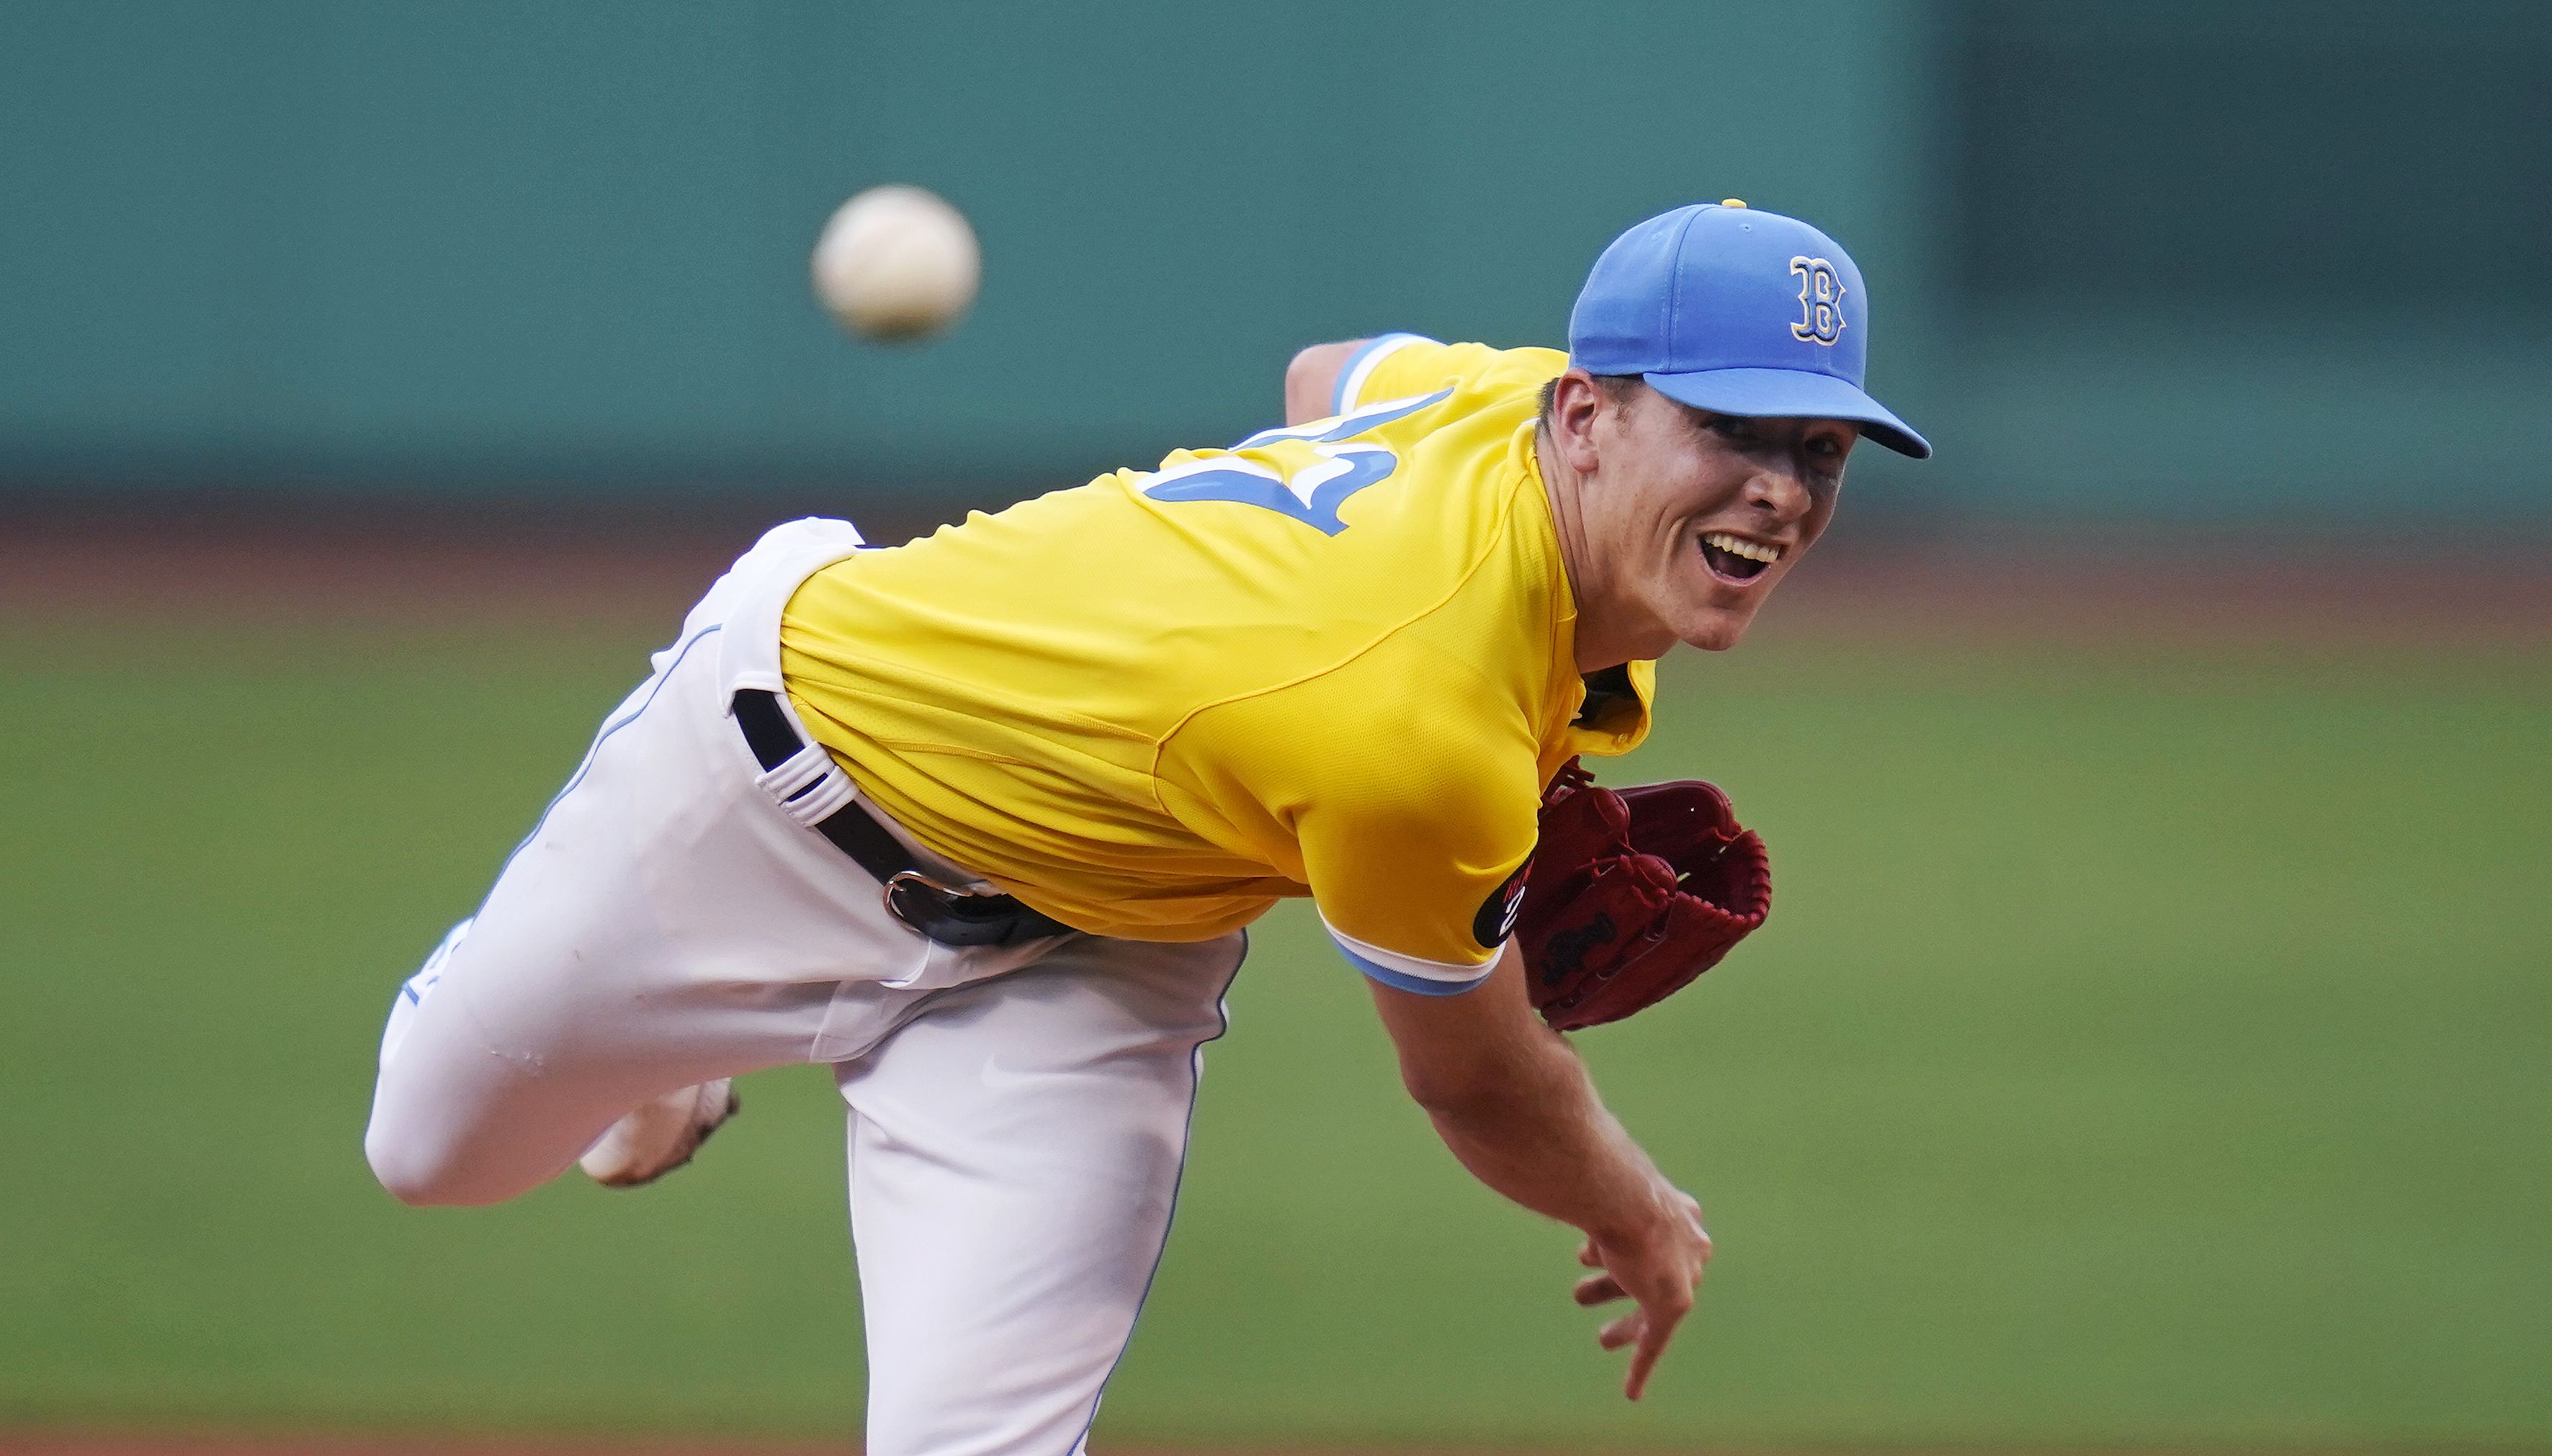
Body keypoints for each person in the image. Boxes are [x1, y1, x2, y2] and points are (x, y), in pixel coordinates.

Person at [362, 199, 1928, 1454]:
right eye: (1731, 427)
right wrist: (1638, 1216)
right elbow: (1476, 1080)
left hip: (1087, 962)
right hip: (769, 790)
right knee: (430, 1154)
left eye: (1816, 449)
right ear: (1587, 416)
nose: (1780, 489)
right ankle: (684, 1043)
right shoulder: (1413, 724)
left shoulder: (1498, 407)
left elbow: (1329, 373)